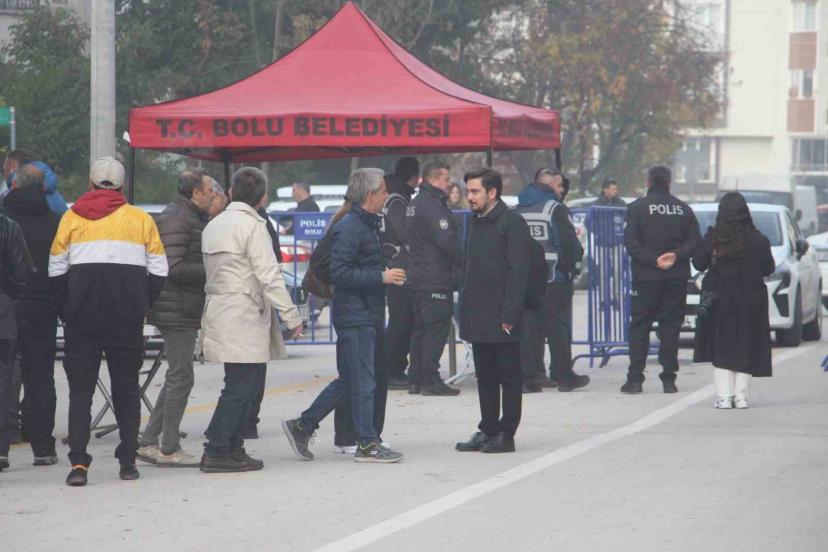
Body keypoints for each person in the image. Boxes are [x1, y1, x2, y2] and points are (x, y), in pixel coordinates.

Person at [49, 157, 168, 486]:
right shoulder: (140, 219)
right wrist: (142, 304)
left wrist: (67, 310)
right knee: (127, 390)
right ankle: (128, 461)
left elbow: (55, 272)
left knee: (81, 393)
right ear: (122, 186)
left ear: (90, 184)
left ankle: (78, 464)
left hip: (81, 321)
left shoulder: (71, 218)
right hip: (126, 320)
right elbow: (160, 270)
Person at [282, 168, 406, 464]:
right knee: (363, 382)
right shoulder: (350, 226)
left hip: (368, 312)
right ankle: (366, 443)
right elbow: (340, 273)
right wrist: (381, 277)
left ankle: (303, 426)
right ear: (370, 195)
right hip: (355, 315)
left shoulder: (368, 223)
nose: (387, 195)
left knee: (351, 379)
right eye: (383, 191)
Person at [199, 167, 302, 473]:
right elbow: (269, 275)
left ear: (231, 193)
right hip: (245, 311)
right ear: (263, 197)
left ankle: (232, 446)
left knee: (241, 382)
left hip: (220, 309)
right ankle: (217, 447)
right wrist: (291, 315)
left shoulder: (213, 225)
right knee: (243, 385)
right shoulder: (254, 226)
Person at [137, 169, 216, 467]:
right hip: (176, 307)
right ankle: (169, 448)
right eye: (209, 189)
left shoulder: (189, 216)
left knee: (177, 376)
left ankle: (148, 441)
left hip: (182, 306)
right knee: (181, 377)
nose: (213, 193)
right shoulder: (179, 218)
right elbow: (173, 267)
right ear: (195, 192)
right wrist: (213, 268)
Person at [456, 168, 532, 454]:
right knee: (485, 376)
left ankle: (506, 434)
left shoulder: (511, 222)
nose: (470, 197)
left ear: (492, 192)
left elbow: (518, 271)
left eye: (475, 191)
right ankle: (487, 429)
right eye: (468, 191)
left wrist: (510, 313)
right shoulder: (475, 221)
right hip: (478, 313)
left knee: (508, 376)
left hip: (503, 315)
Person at [622, 165, 700, 394]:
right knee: (671, 327)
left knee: (640, 326)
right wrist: (675, 255)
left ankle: (635, 379)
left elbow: (631, 243)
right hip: (676, 276)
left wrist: (653, 260)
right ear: (669, 182)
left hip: (646, 277)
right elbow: (695, 241)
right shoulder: (683, 209)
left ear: (648, 182)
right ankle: (669, 379)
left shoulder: (637, 208)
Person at [693, 192, 774, 409]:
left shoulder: (713, 239)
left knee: (721, 346)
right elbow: (768, 268)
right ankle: (741, 397)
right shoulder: (758, 239)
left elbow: (698, 263)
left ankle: (724, 397)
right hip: (751, 300)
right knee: (745, 344)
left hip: (720, 299)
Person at [3, 165, 61, 466]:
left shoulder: (4, 221)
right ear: (43, 189)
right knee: (40, 376)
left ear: (13, 185)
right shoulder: (56, 222)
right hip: (42, 306)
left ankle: (2, 448)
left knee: (3, 376)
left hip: (5, 306)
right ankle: (43, 448)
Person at [515, 168, 587, 393]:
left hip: (525, 280)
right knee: (557, 328)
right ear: (549, 184)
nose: (562, 189)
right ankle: (563, 375)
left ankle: (529, 377)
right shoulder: (555, 208)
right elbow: (567, 244)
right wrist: (570, 269)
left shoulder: (517, 209)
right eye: (559, 185)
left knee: (529, 329)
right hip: (553, 277)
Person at [405, 161, 463, 396]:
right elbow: (446, 241)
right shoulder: (433, 205)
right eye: (446, 180)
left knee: (420, 328)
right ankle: (430, 379)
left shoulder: (416, 202)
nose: (449, 184)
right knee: (436, 328)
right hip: (434, 276)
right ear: (433, 180)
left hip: (418, 274)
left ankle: (416, 378)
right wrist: (465, 259)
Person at [381, 156, 420, 390]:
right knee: (401, 322)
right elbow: (405, 234)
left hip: (395, 267)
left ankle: (393, 368)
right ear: (413, 177)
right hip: (400, 269)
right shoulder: (397, 201)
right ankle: (391, 370)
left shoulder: (392, 196)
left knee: (401, 320)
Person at [0, 209, 31, 472]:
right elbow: (21, 272)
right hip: (2, 308)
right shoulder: (8, 226)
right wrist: (9, 296)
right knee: (3, 382)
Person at [2, 150, 68, 214]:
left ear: (13, 167)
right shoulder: (48, 189)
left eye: (5, 169)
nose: (4, 174)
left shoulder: (18, 193)